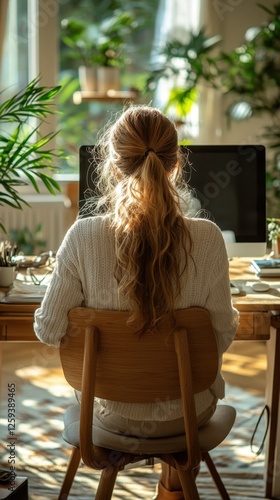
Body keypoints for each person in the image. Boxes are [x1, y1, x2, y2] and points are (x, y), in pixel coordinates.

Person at [34, 105, 239, 499]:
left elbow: (49, 330)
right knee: (186, 393)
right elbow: (219, 338)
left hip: (112, 417)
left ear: (113, 165)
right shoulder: (210, 238)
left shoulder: (82, 236)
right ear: (176, 164)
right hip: (189, 417)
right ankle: (172, 489)